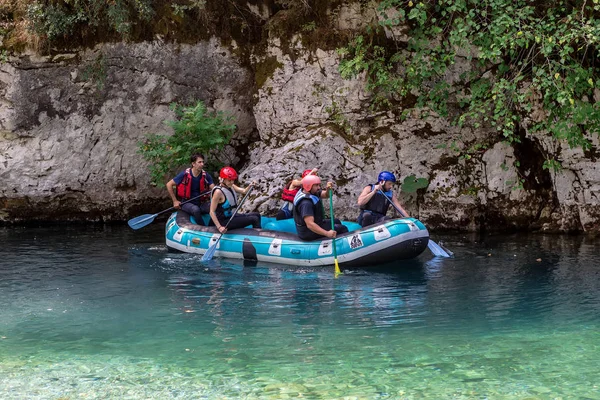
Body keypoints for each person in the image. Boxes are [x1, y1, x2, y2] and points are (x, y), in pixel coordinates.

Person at [293, 174, 349, 241]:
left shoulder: (309, 191)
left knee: (337, 221)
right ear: (309, 186)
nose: (319, 187)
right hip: (308, 232)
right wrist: (327, 233)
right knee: (342, 228)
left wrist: (328, 190)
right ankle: (343, 245)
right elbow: (310, 224)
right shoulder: (306, 203)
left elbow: (326, 195)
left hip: (317, 223)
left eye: (319, 185)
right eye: (316, 185)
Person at [166, 153, 215, 225]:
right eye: (199, 162)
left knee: (215, 207)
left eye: (203, 162)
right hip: (186, 203)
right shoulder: (184, 175)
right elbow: (169, 184)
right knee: (196, 210)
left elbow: (214, 188)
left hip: (201, 203)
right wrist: (175, 201)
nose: (202, 164)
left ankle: (212, 227)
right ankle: (203, 228)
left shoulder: (205, 175)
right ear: (193, 164)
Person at [209, 166, 261, 232]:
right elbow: (211, 212)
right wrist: (219, 227)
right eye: (229, 180)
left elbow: (244, 191)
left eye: (233, 180)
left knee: (257, 215)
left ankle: (258, 233)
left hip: (231, 216)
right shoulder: (218, 192)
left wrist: (250, 185)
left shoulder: (231, 186)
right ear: (222, 179)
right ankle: (257, 239)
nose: (232, 182)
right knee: (254, 219)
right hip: (223, 221)